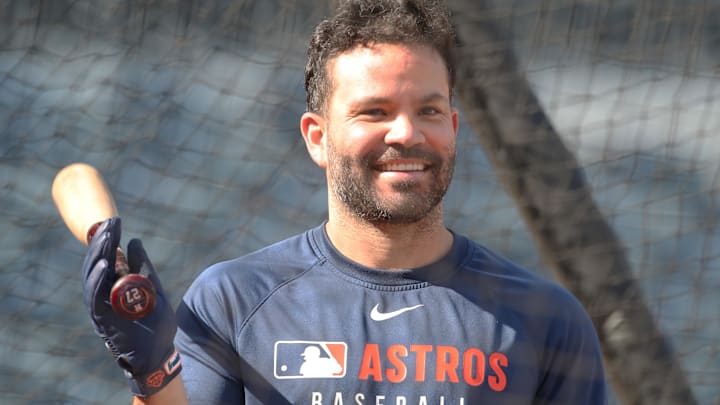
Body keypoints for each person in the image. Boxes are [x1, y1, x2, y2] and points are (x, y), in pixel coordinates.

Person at [81, 0, 608, 404]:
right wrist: (154, 376)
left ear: (452, 128)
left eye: (428, 110)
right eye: (374, 111)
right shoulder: (232, 301)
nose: (406, 132)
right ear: (317, 137)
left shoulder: (547, 319)